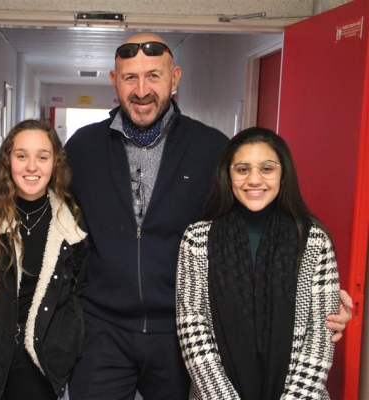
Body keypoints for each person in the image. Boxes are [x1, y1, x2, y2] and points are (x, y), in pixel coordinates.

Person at [65, 33, 352, 399]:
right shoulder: (82, 147)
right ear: (114, 80)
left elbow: (251, 226)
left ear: (175, 78)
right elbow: (54, 225)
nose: (141, 90)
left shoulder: (211, 147)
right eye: (129, 78)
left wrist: (319, 296)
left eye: (154, 76)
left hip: (184, 331)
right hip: (101, 328)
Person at [176, 127, 340, 399]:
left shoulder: (314, 240)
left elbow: (319, 339)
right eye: (242, 169)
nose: (254, 180)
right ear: (228, 176)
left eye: (267, 168)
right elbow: (192, 327)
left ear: (282, 174)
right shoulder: (197, 239)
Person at [0, 119, 89, 400]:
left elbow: (77, 292)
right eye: (21, 156)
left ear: (55, 164)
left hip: (40, 369)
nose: (32, 166)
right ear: (8, 161)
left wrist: (66, 343)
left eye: (42, 157)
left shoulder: (71, 223)